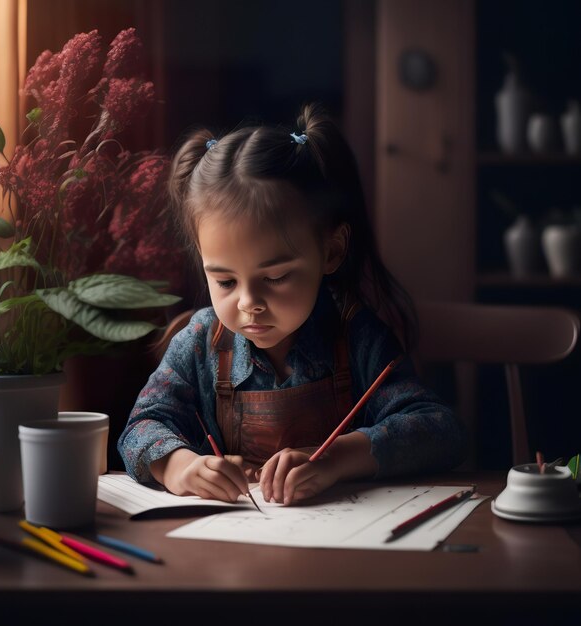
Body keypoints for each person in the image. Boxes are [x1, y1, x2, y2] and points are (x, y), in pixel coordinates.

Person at [118, 103, 467, 506]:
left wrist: (334, 460)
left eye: (276, 277)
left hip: (342, 544)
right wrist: (179, 467)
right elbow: (141, 427)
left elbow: (441, 430)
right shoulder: (200, 342)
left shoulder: (354, 335)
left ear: (331, 251)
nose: (249, 304)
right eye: (225, 281)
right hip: (230, 548)